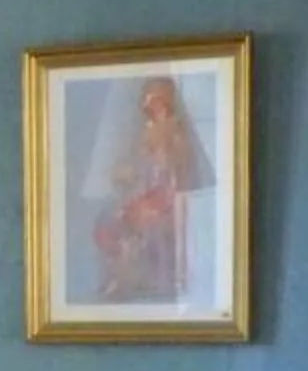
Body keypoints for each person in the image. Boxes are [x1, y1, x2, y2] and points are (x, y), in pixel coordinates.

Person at [88, 76, 215, 306]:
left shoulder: (176, 133)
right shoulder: (141, 133)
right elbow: (129, 168)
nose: (154, 104)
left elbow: (180, 174)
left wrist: (165, 149)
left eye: (159, 98)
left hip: (166, 197)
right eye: (150, 98)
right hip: (141, 192)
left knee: (138, 219)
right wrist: (124, 173)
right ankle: (120, 276)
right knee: (109, 221)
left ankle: (140, 278)